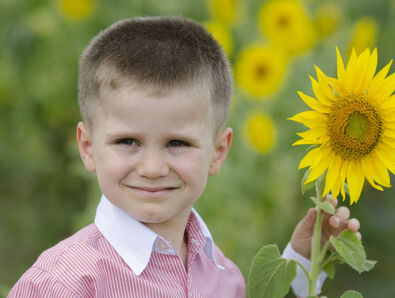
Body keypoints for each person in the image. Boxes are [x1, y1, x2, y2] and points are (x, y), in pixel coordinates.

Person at [8, 16, 360, 297]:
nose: (152, 168)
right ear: (87, 147)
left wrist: (301, 259)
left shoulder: (222, 275)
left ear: (218, 152)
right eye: (128, 141)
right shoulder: (63, 285)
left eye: (177, 143)